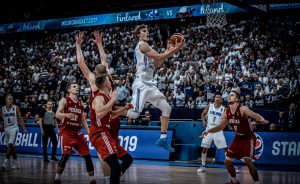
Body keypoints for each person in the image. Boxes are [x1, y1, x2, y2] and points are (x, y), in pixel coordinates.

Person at [76, 31, 133, 184]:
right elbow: (99, 61)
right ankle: (110, 178)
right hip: (104, 118)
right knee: (107, 154)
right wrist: (95, 45)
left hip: (111, 116)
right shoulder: (100, 82)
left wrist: (83, 45)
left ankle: (112, 176)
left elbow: (88, 64)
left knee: (110, 153)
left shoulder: (102, 78)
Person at [126, 24, 184, 152]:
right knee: (134, 114)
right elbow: (159, 57)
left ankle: (163, 139)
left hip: (150, 84)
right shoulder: (142, 45)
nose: (147, 32)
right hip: (141, 83)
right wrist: (175, 49)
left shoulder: (149, 47)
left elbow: (158, 63)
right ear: (138, 35)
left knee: (166, 108)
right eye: (144, 31)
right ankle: (111, 111)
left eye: (147, 30)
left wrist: (168, 49)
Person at [201, 90, 268, 184]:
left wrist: (261, 119)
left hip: (248, 138)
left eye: (232, 95)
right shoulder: (227, 112)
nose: (229, 96)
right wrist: (208, 131)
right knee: (227, 161)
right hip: (238, 138)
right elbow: (220, 127)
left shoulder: (242, 109)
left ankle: (257, 182)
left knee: (248, 161)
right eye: (229, 95)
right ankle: (234, 181)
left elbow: (254, 114)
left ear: (237, 99)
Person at [89, 75, 133, 184]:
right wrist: (113, 99)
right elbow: (99, 113)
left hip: (105, 133)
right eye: (109, 80)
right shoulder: (99, 97)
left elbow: (110, 114)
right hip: (99, 133)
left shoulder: (106, 97)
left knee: (127, 159)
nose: (111, 82)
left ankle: (113, 178)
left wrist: (124, 109)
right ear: (105, 83)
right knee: (116, 167)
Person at [54, 83, 96, 184]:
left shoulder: (81, 102)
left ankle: (92, 180)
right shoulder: (64, 100)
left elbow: (82, 119)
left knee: (87, 156)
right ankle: (57, 178)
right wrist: (66, 114)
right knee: (66, 156)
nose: (77, 88)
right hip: (66, 133)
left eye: (77, 87)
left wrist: (89, 131)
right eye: (74, 87)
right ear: (69, 90)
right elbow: (57, 114)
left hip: (78, 133)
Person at [197, 93, 228, 173]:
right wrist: (203, 121)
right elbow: (203, 114)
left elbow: (226, 120)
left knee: (225, 148)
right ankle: (203, 165)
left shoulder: (224, 109)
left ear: (221, 100)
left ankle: (230, 166)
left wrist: (223, 125)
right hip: (208, 129)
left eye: (219, 97)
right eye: (216, 97)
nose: (217, 98)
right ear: (214, 98)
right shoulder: (209, 106)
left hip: (218, 130)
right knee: (204, 148)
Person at [0, 94, 27, 170]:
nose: (11, 100)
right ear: (6, 100)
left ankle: (4, 163)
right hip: (6, 128)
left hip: (14, 128)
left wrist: (24, 128)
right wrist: (0, 124)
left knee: (10, 145)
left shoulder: (16, 108)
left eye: (12, 99)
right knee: (12, 147)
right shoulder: (2, 109)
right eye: (9, 99)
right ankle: (16, 163)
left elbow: (20, 118)